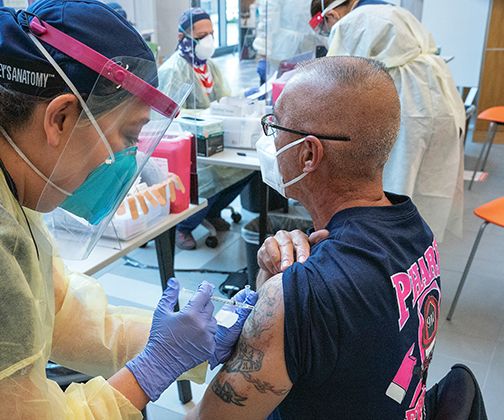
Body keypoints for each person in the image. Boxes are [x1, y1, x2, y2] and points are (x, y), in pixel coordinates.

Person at [0, 1, 258, 418]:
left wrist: (185, 342)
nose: (130, 161)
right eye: (128, 136)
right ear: (58, 118)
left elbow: (55, 310)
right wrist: (152, 369)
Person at [185, 56, 443, 420]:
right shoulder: (415, 230)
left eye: (274, 127)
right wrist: (273, 279)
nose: (269, 141)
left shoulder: (304, 295)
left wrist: (279, 293)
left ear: (308, 154)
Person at [309, 0, 466, 242]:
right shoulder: (395, 11)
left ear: (330, 13)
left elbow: (335, 81)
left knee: (394, 182)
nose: (330, 31)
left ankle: (384, 253)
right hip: (438, 102)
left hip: (406, 109)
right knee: (428, 184)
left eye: (327, 26)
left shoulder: (352, 21)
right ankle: (416, 252)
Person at [158, 7, 256, 250]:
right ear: (183, 38)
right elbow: (168, 118)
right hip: (189, 149)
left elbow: (225, 99)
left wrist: (246, 99)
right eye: (201, 36)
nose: (209, 41)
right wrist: (209, 115)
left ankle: (213, 211)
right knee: (210, 177)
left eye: (211, 34)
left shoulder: (209, 67)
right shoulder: (172, 70)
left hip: (215, 139)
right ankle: (184, 226)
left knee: (249, 170)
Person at [252, 0, 322, 85]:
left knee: (278, 87)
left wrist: (263, 53)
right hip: (307, 44)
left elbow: (269, 19)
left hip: (281, 47)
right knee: (302, 86)